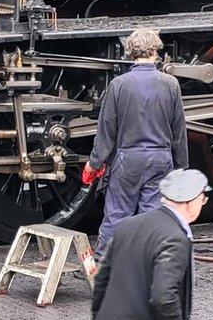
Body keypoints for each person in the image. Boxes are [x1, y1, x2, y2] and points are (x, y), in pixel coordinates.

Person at [82, 27, 188, 259]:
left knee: (117, 215)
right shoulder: (171, 84)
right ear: (155, 51)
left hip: (128, 159)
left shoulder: (119, 85)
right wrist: (181, 168)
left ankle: (103, 264)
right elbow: (179, 130)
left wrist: (95, 161)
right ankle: (147, 265)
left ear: (130, 52)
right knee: (152, 216)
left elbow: (107, 128)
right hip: (161, 159)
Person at [91, 168, 211, 320]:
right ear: (191, 203)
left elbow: (101, 279)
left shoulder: (128, 224)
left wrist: (96, 315)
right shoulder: (175, 239)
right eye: (202, 200)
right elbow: (163, 296)